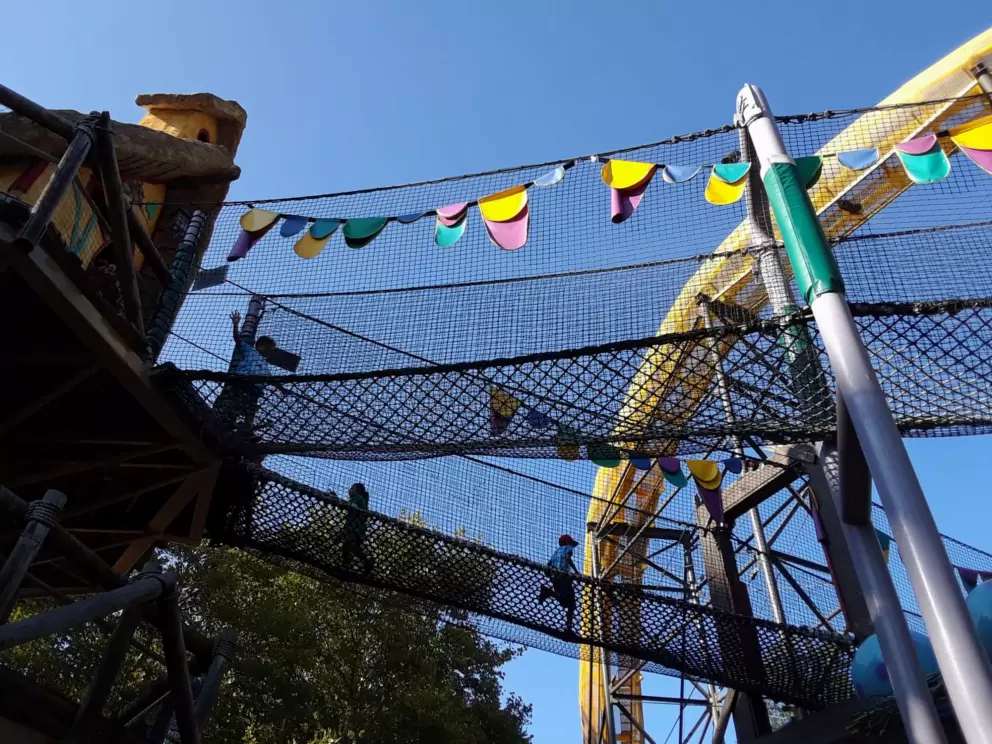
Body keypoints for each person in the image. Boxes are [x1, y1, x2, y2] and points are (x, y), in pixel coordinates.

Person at [214, 310, 279, 437]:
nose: (268, 352)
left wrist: (282, 389)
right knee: (234, 404)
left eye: (270, 350)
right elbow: (237, 339)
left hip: (255, 390)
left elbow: (271, 379)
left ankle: (247, 430)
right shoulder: (250, 351)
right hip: (241, 383)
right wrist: (235, 324)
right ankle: (225, 421)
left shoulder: (265, 366)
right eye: (267, 348)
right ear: (259, 346)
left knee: (251, 410)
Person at [538, 534, 580, 634]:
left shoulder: (556, 552)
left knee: (564, 600)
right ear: (567, 542)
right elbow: (568, 558)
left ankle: (548, 592)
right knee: (571, 604)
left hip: (555, 578)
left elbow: (548, 566)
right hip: (564, 576)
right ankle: (568, 628)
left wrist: (551, 578)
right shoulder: (568, 548)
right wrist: (576, 572)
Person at [341, 482, 373, 575]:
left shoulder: (359, 499)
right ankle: (363, 563)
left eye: (352, 488)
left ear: (357, 491)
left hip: (356, 529)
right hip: (352, 529)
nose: (350, 490)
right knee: (347, 547)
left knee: (349, 545)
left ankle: (349, 565)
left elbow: (350, 506)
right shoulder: (354, 500)